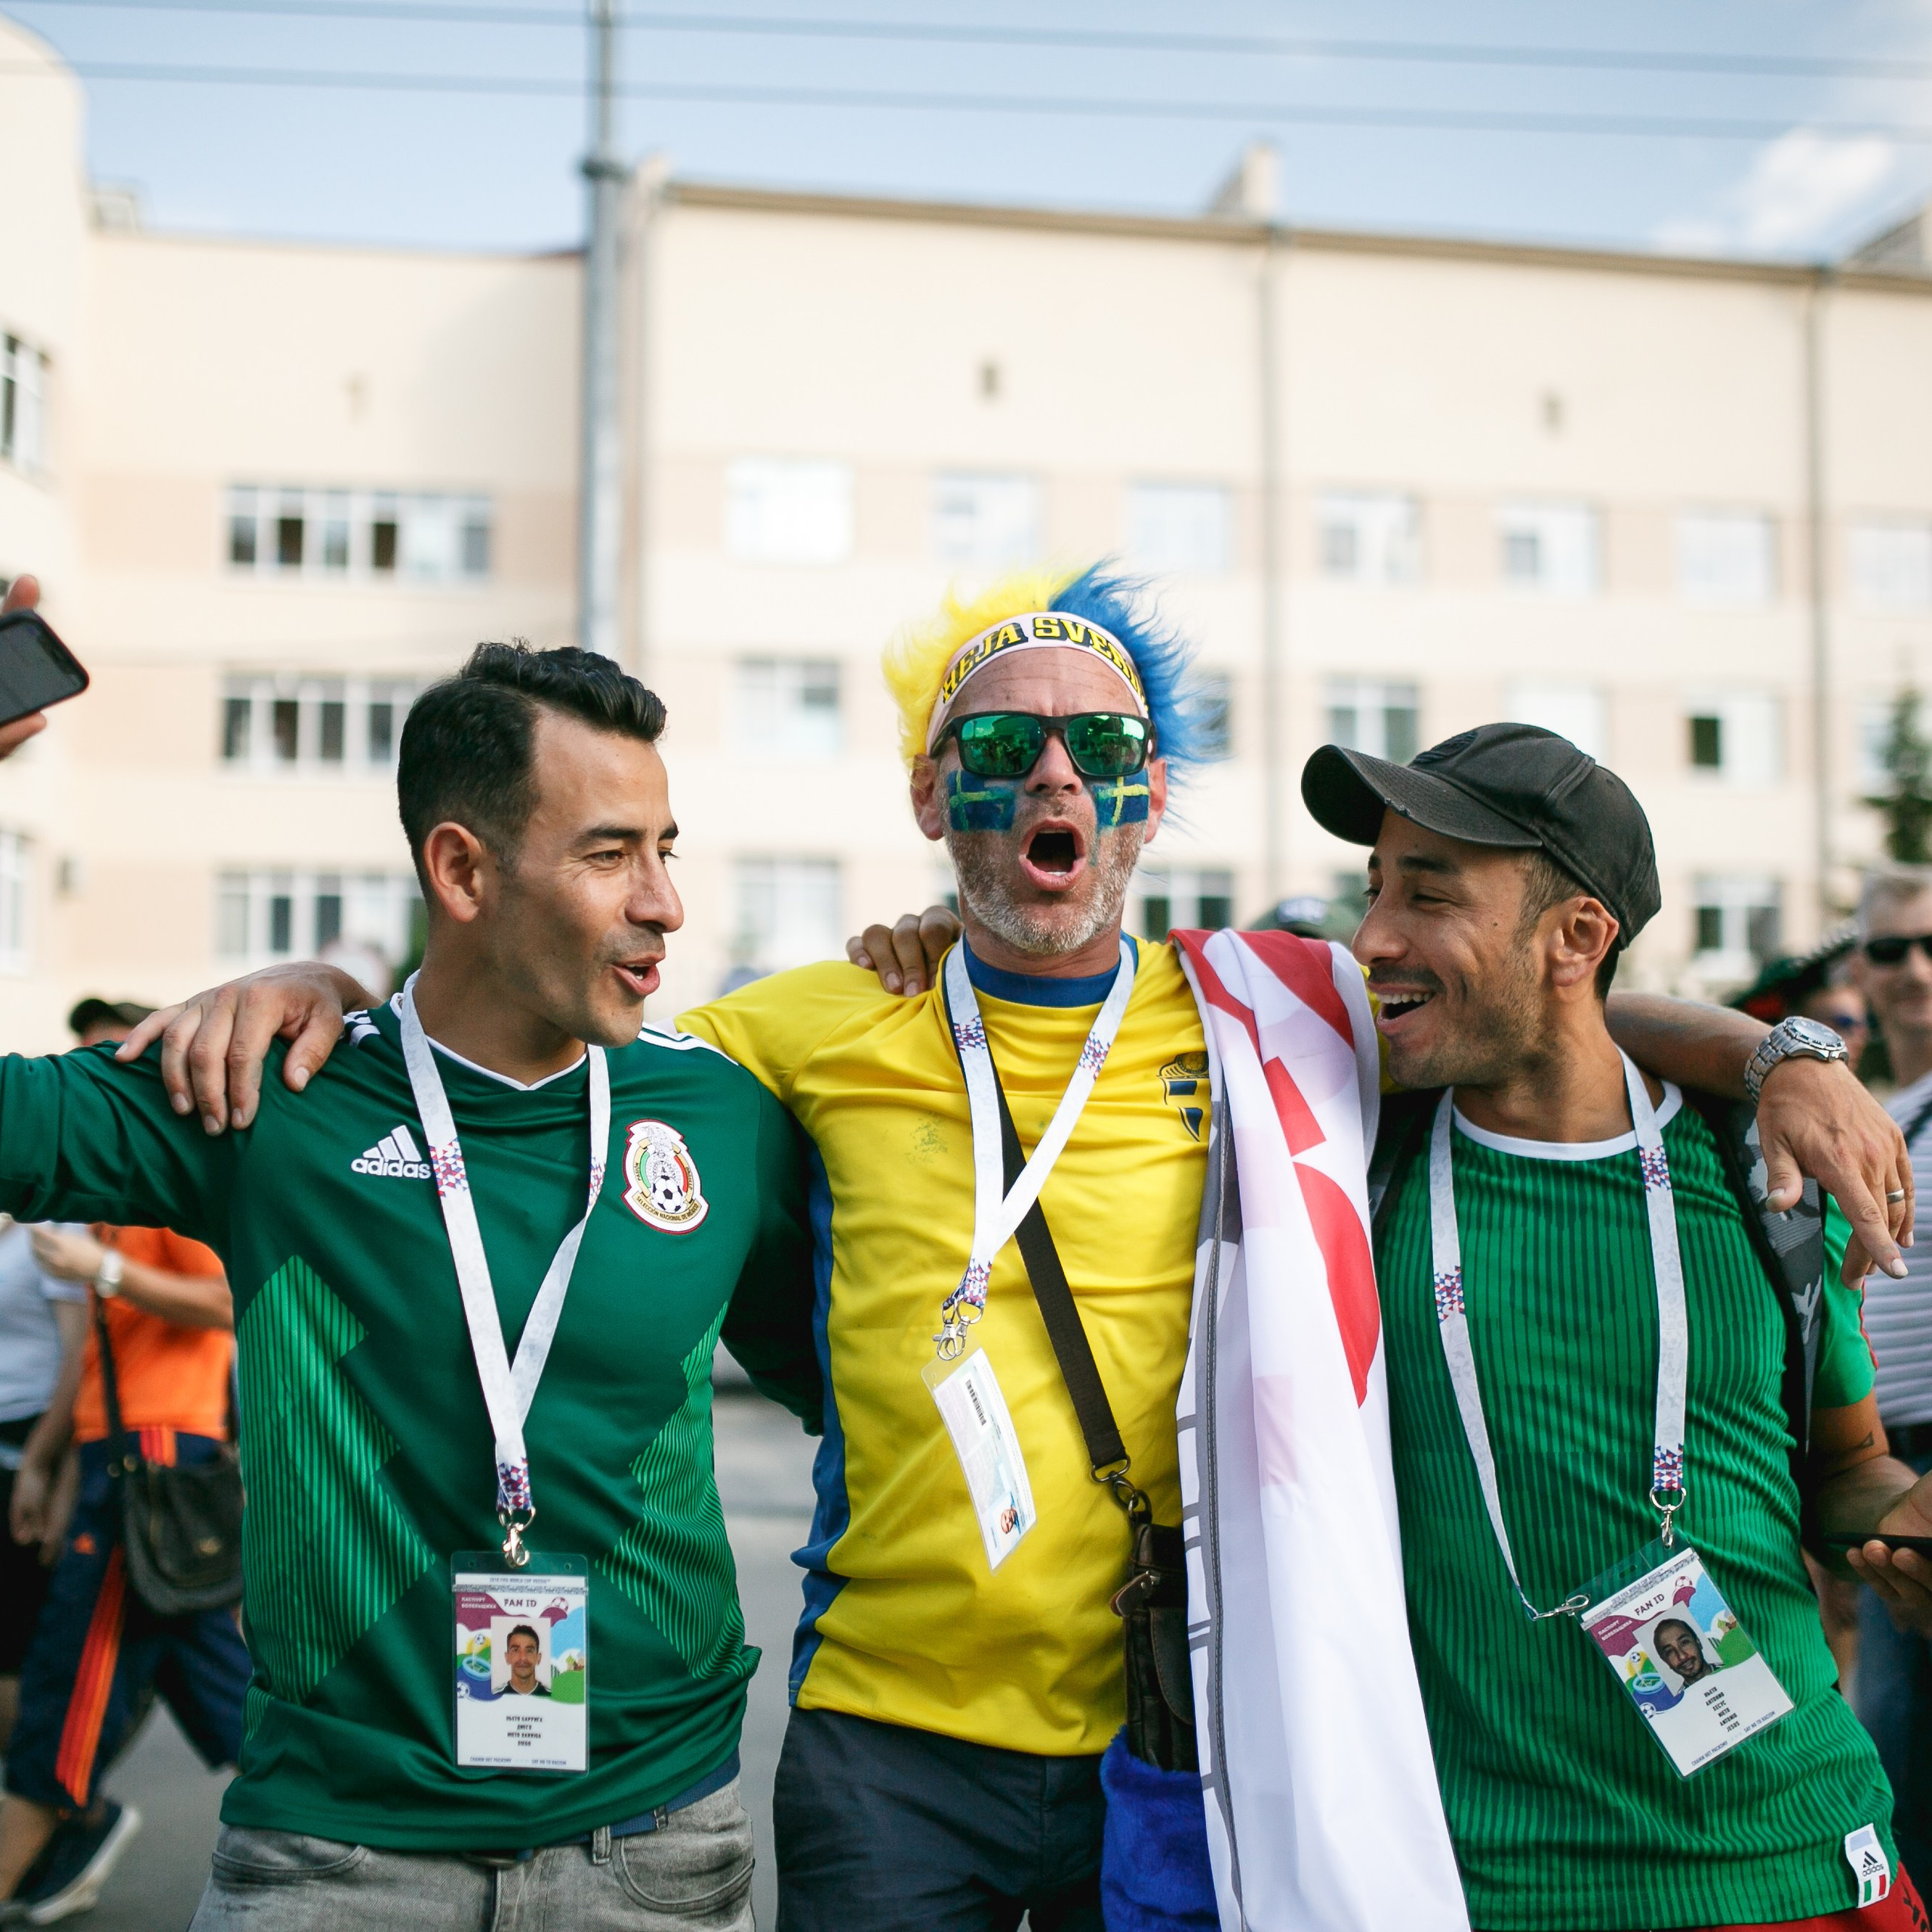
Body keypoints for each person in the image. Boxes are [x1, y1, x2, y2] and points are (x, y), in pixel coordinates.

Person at [135, 571, 1916, 1932]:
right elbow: (537, 1010)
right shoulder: (808, 1023)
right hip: (885, 1744)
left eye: (1100, 752)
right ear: (934, 797)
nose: (1050, 777)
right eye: (999, 752)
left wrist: (1772, 1051)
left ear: (1146, 804)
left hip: (1182, 1727)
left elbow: (1550, 1010)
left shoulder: (1279, 1007)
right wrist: (333, 988)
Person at [0, 621, 817, 1924]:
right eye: (609, 855)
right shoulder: (264, 1091)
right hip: (336, 1861)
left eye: (665, 851)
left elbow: (874, 1374)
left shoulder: (723, 1116)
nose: (663, 900)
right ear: (462, 870)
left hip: (657, 1847)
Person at [1297, 725, 1930, 1927]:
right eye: (1375, 889)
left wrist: (1901, 1520)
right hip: (1495, 1884)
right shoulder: (1341, 1165)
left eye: (1429, 894)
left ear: (1576, 938)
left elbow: (1844, 1466)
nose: (1374, 935)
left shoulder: (1756, 1177)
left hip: (1801, 1858)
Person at [0, 994, 245, 1924]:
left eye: (113, 1052)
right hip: (122, 1457)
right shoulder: (101, 1192)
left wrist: (103, 1270)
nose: (92, 1070)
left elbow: (228, 1301)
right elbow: (91, 1358)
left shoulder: (170, 1173)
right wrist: (51, 1464)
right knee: (233, 1696)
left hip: (158, 1459)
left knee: (64, 1699)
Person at [1848, 862, 1932, 1888]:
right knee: (1898, 1767)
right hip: (1881, 1473)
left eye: (1931, 944)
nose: (1913, 968)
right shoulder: (1868, 1116)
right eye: (1888, 948)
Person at [1653, 1617, 1717, 1687]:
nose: (1682, 1656)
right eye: (1670, 1652)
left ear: (1698, 1643)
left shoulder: (1729, 1669)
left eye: (1684, 1643)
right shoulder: (1681, 1698)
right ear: (1666, 1661)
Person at [501, 1628, 549, 1699]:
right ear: (507, 1657)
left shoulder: (551, 1696)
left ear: (538, 1658)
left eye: (529, 1651)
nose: (523, 1657)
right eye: (516, 1650)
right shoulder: (496, 1696)